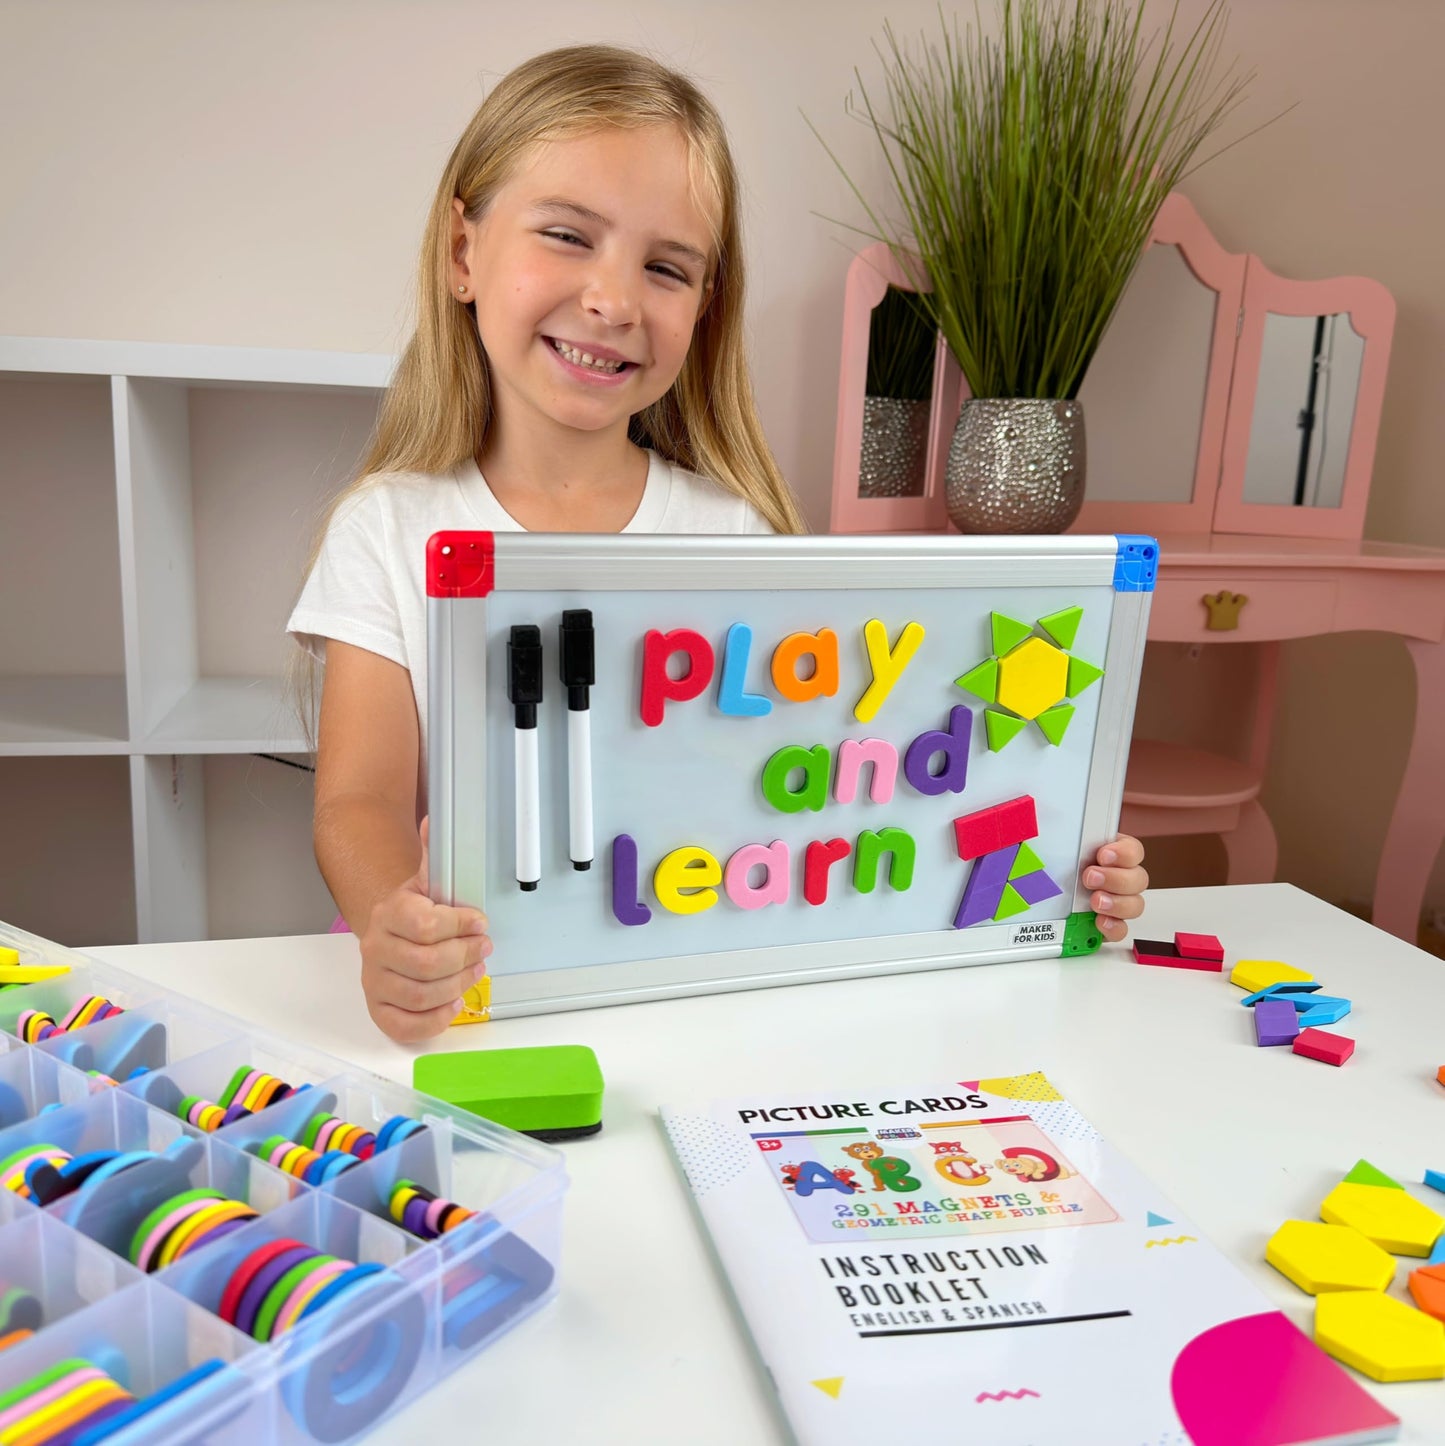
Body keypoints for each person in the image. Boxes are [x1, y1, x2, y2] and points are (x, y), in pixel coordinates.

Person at [287, 44, 1148, 1043]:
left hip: (679, 992)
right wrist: (400, 925)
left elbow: (840, 781)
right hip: (481, 999)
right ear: (462, 252)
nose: (612, 299)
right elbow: (358, 799)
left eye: (664, 267)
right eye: (566, 235)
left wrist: (1061, 860)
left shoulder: (730, 535)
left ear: (703, 307)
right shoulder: (389, 526)